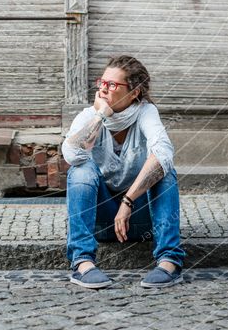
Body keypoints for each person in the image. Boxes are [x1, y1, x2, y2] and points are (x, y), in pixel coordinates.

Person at [62, 54, 186, 290]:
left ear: (134, 92)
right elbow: (72, 155)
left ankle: (169, 262)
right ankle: (82, 263)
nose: (104, 89)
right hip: (102, 221)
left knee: (164, 169)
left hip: (142, 219)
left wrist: (128, 201)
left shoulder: (146, 113)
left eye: (113, 85)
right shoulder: (89, 116)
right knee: (81, 170)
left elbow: (163, 154)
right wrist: (100, 115)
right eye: (102, 83)